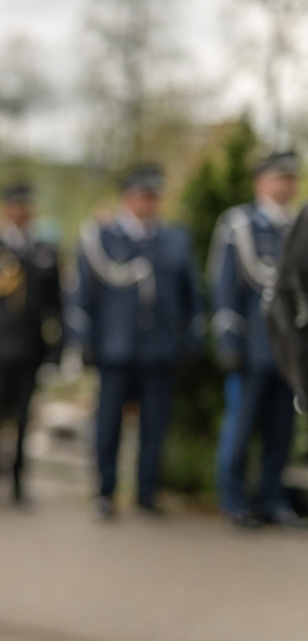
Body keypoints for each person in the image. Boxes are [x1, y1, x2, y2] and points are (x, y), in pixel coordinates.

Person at [66, 164, 202, 520]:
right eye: (143, 195)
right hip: (116, 348)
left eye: (154, 196)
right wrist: (83, 341)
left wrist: (191, 339)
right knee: (108, 424)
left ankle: (147, 493)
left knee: (154, 426)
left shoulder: (175, 239)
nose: (149, 202)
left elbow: (191, 295)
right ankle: (104, 492)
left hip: (159, 349)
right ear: (127, 197)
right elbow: (83, 295)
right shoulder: (103, 239)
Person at [209, 151, 306, 530]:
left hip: (291, 353)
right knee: (241, 428)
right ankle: (233, 500)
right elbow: (223, 288)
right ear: (261, 181)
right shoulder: (239, 225)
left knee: (282, 431)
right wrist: (229, 344)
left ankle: (273, 501)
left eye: (292, 177)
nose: (287, 184)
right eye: (280, 177)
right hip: (251, 349)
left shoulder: (297, 225)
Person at [0, 182, 62, 508]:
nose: (20, 213)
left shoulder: (44, 248)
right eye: (14, 206)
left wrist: (56, 345)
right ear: (4, 210)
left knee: (24, 418)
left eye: (25, 207)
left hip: (30, 349)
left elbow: (55, 302)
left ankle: (20, 483)